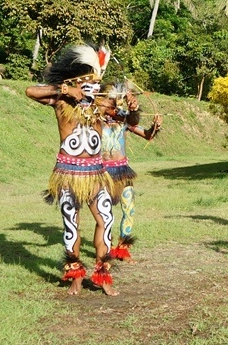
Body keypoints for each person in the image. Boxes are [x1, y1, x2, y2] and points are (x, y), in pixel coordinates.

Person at [26, 43, 119, 296]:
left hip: (97, 175)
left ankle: (102, 275)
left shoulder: (100, 106)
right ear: (78, 82)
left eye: (97, 83)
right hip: (68, 174)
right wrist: (66, 90)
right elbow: (30, 91)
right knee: (71, 225)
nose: (95, 87)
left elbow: (125, 115)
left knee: (106, 220)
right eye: (89, 82)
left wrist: (132, 107)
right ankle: (75, 276)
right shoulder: (61, 101)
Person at [99, 82, 162, 262]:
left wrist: (155, 127)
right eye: (110, 99)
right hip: (102, 173)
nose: (113, 103)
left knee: (129, 210)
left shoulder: (123, 118)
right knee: (105, 214)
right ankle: (105, 248)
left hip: (123, 172)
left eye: (116, 99)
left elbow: (147, 134)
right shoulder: (95, 120)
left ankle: (123, 249)